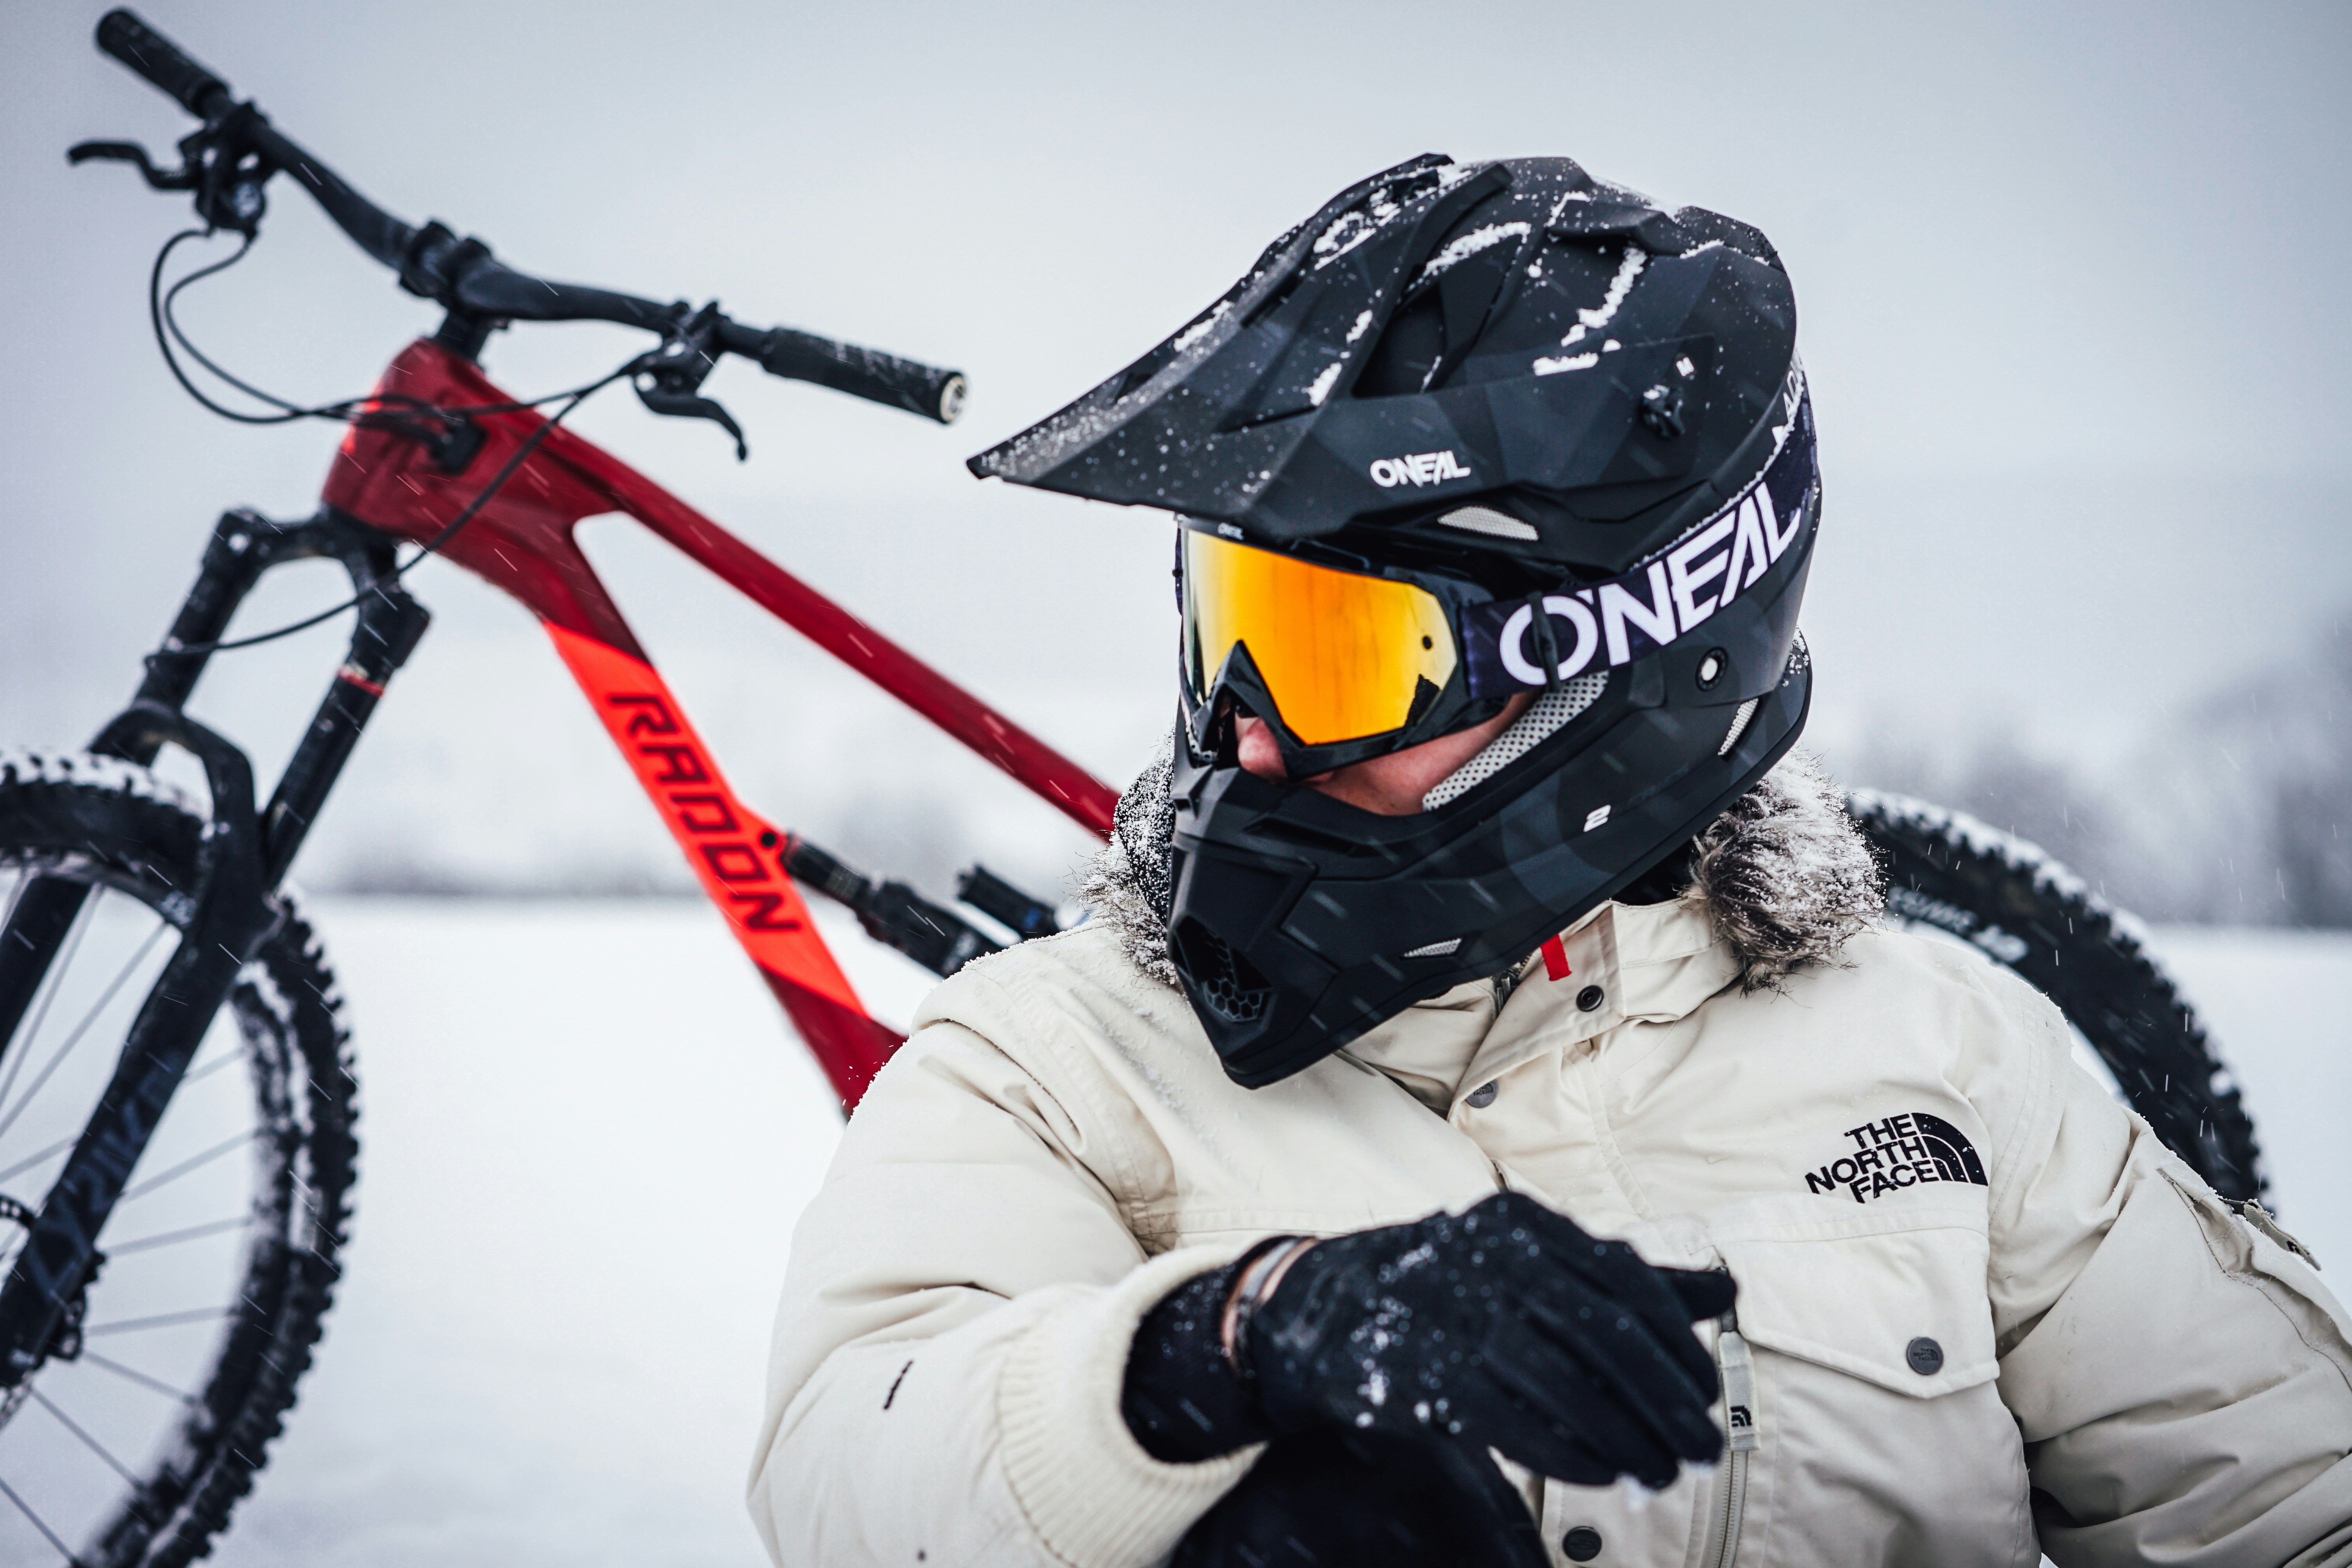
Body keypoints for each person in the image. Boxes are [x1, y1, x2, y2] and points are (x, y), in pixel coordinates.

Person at [748, 155, 2352, 1566]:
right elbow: (841, 1483)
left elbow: (2292, 1500)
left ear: (1626, 657)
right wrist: (1218, 1348)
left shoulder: (1942, 1060)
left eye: (1336, 656)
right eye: (1235, 630)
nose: (1245, 736)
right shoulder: (1058, 1055)